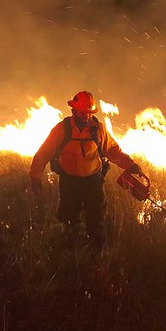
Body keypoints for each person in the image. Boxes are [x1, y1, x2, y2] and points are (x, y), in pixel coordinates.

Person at [29, 90, 144, 251]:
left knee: (96, 218)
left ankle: (96, 254)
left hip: (93, 181)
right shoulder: (62, 129)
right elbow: (43, 153)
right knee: (68, 218)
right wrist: (35, 177)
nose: (87, 116)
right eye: (83, 113)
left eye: (89, 113)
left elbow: (112, 150)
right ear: (74, 111)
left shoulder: (98, 129)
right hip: (70, 181)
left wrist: (130, 165)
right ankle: (70, 251)